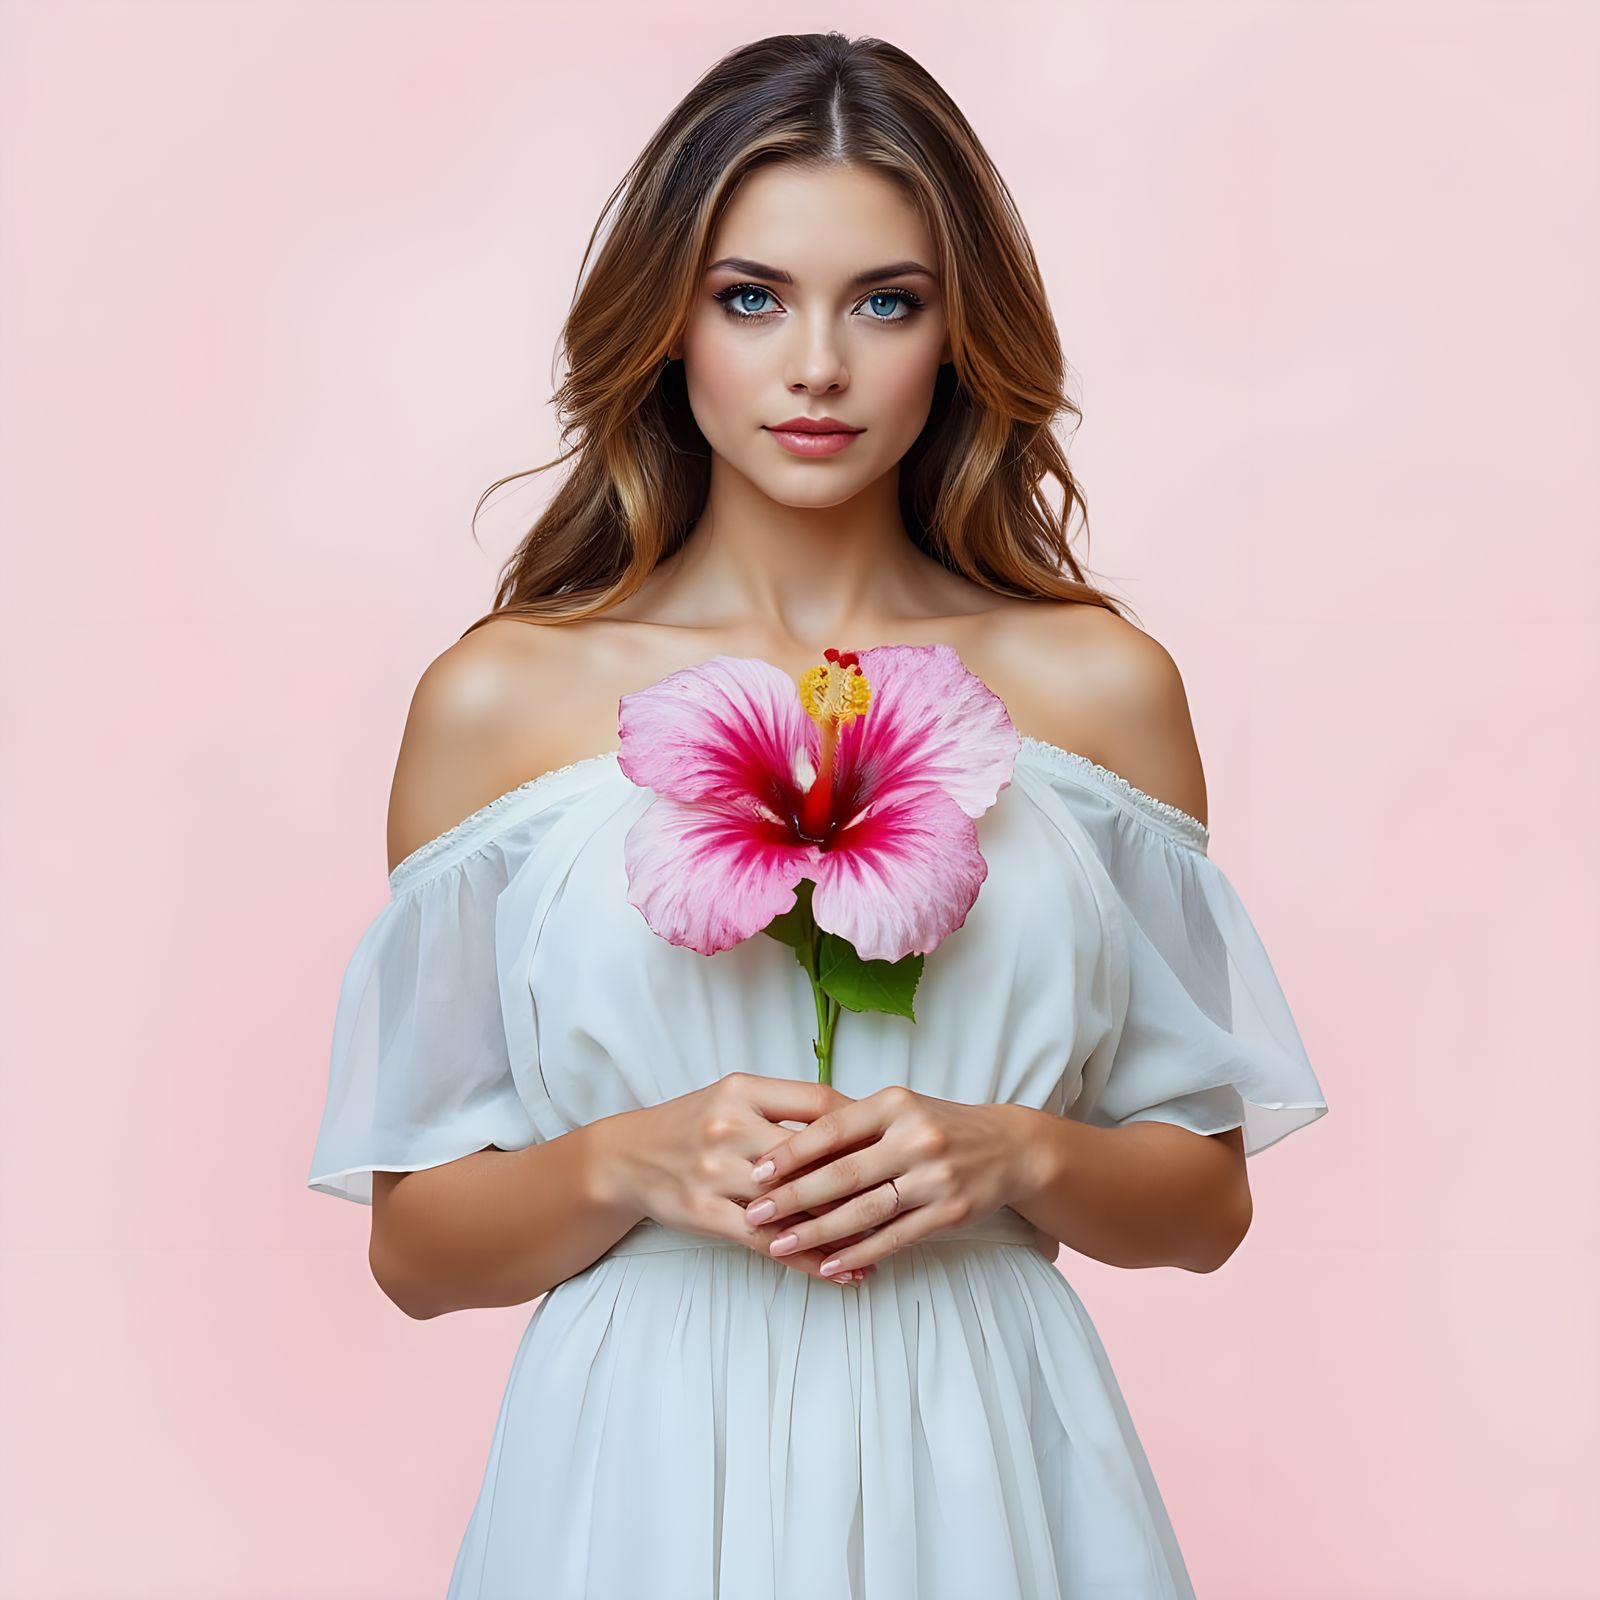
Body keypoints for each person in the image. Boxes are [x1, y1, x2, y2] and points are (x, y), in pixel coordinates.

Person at [306, 31, 1329, 1599]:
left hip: (994, 1451)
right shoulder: (502, 700)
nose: (819, 367)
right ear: (670, 322)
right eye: (752, 296)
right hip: (637, 1467)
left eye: (887, 300)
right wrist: (625, 1166)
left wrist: (1012, 1156)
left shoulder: (1099, 688)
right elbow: (415, 1250)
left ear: (956, 332)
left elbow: (1204, 1204)